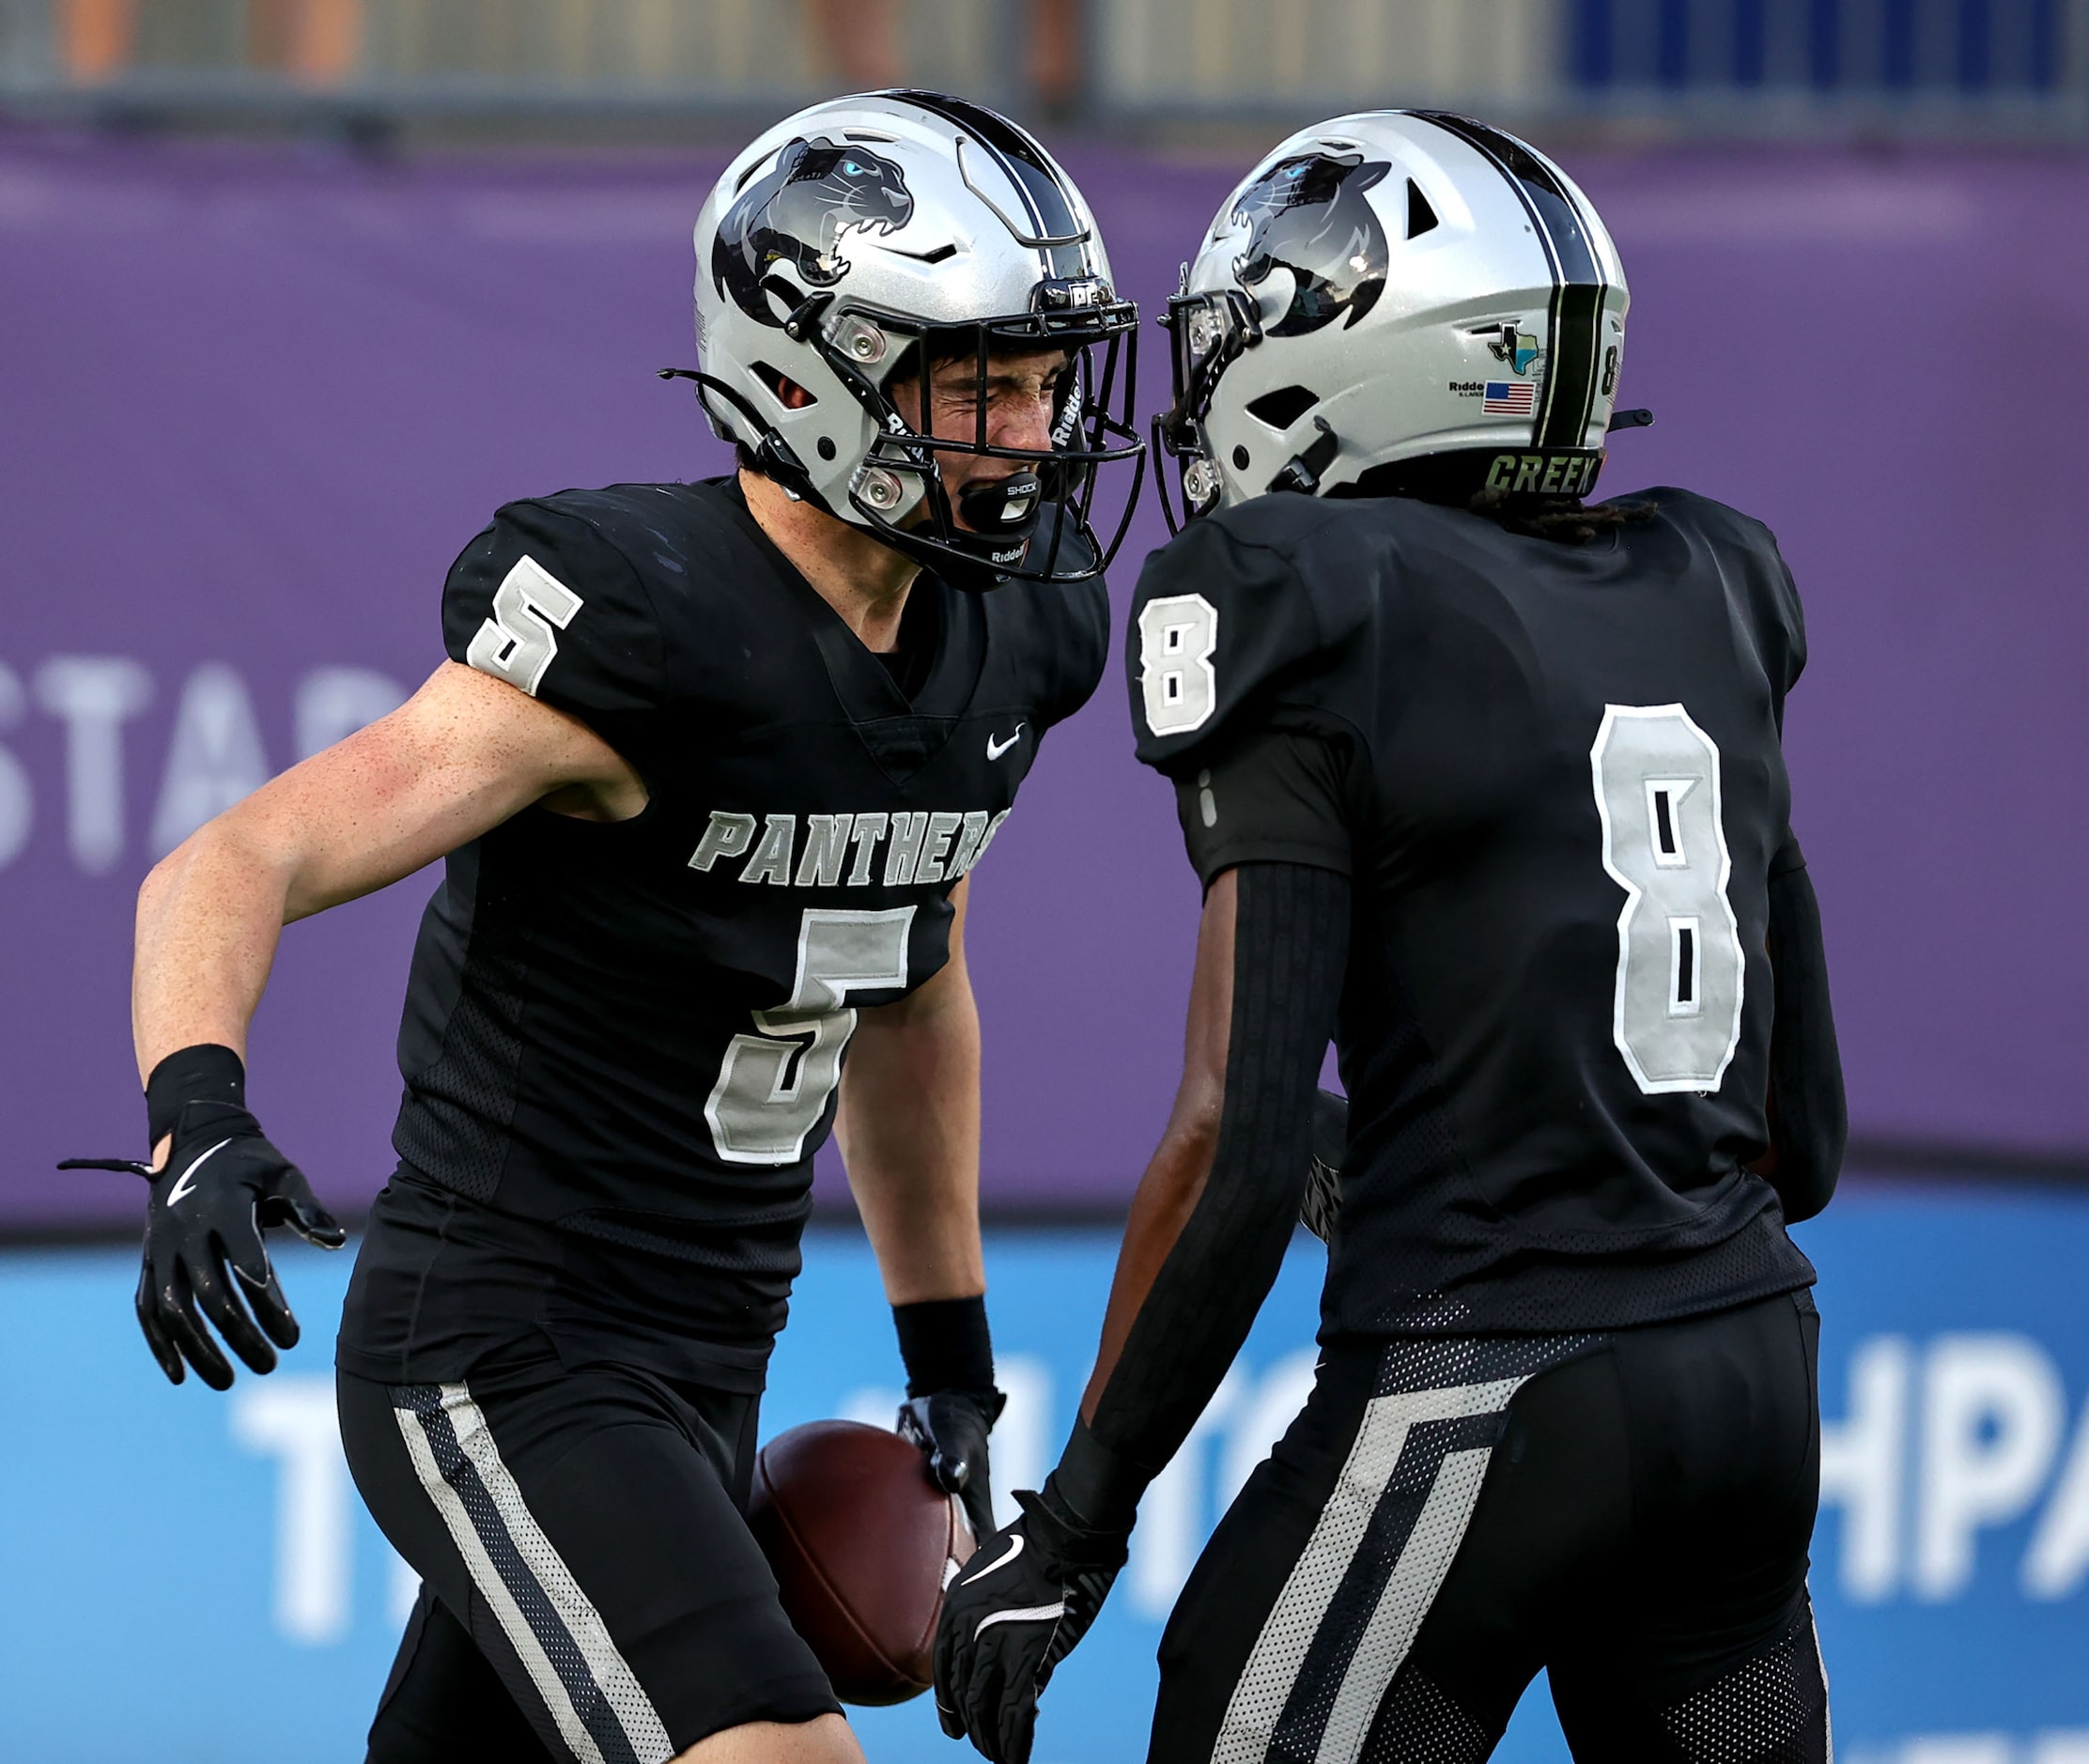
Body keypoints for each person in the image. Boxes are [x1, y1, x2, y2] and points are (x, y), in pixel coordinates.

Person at [76, 90, 1141, 1764]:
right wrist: (193, 1119)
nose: (1029, 431)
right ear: (817, 374)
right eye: (980, 385)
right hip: (500, 1344)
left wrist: (950, 1355)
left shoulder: (1011, 635)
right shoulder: (648, 621)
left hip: (709, 1354)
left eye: (1045, 381)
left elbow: (910, 986)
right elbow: (236, 853)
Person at [936, 109, 1847, 1764]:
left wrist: (1069, 1532)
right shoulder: (1716, 573)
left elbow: (1232, 1134)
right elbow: (1805, 1136)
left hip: (1481, 1392)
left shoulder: (1297, 590)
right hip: (1750, 1383)